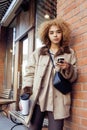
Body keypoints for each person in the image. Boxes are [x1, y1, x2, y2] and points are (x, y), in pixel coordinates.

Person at [21, 18, 77, 130]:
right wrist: (26, 92)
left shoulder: (69, 53)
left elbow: (74, 77)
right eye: (51, 33)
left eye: (58, 32)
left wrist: (67, 68)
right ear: (47, 35)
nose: (55, 35)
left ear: (63, 33)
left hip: (58, 100)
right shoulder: (39, 53)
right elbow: (29, 73)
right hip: (38, 98)